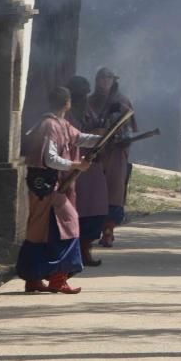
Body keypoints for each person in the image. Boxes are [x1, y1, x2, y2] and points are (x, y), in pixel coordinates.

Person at [16, 86, 99, 294]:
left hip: (49, 185)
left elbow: (79, 138)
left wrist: (104, 138)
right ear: (67, 103)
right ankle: (58, 278)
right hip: (45, 184)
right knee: (69, 227)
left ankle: (34, 278)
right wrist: (75, 165)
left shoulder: (61, 124)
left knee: (41, 233)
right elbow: (50, 159)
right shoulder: (49, 125)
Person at [88, 67, 137, 247]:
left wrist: (123, 138)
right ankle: (90, 232)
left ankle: (108, 231)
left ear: (113, 80)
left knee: (114, 193)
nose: (105, 81)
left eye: (108, 78)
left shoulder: (123, 101)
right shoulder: (90, 102)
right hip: (96, 154)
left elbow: (130, 129)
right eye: (102, 78)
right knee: (93, 193)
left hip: (116, 154)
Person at [66, 76, 108, 267]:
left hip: (93, 169)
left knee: (95, 212)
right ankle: (75, 254)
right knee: (75, 213)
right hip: (74, 167)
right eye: (78, 95)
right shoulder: (65, 117)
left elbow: (97, 132)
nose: (82, 99)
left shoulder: (89, 111)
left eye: (83, 94)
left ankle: (86, 249)